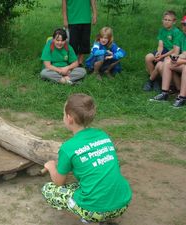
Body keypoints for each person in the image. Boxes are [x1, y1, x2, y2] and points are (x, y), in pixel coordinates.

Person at [41, 94, 132, 224]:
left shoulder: (68, 148)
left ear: (69, 118)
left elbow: (58, 182)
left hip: (93, 210)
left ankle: (88, 218)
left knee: (48, 189)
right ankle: (103, 214)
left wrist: (50, 166)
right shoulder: (103, 135)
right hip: (122, 203)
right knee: (90, 182)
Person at [150, 15, 186, 108]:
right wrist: (175, 57)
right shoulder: (182, 36)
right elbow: (181, 52)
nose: (184, 27)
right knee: (167, 62)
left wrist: (180, 61)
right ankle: (164, 93)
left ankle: (182, 98)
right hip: (183, 61)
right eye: (183, 25)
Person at [143, 10, 182, 91]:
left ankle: (154, 80)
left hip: (172, 52)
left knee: (161, 65)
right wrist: (159, 52)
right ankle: (155, 80)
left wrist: (163, 56)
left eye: (169, 20)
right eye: (165, 20)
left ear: (174, 22)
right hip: (164, 50)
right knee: (148, 57)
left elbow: (175, 50)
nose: (166, 22)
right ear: (162, 20)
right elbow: (160, 45)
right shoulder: (162, 30)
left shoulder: (177, 32)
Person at [62, 0, 97, 66]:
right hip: (72, 19)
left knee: (84, 42)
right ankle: (73, 61)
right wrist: (65, 18)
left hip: (86, 18)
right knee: (73, 43)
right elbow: (64, 2)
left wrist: (95, 14)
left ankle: (80, 62)